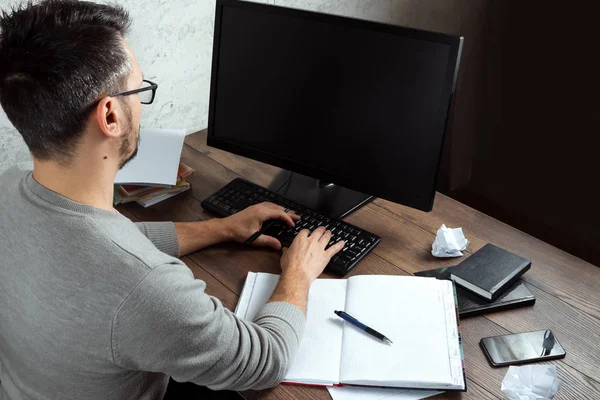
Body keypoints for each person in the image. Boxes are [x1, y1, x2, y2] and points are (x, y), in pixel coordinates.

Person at [0, 1, 345, 399]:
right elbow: (266, 361)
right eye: (139, 90)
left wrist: (221, 227)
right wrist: (298, 273)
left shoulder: (9, 190)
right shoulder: (145, 287)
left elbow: (107, 244)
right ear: (110, 116)